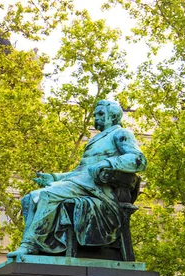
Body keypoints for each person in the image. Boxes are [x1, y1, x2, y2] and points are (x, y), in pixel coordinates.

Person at [8, 100, 146, 260]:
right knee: (30, 198)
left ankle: (29, 246)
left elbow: (138, 159)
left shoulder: (121, 133)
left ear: (113, 116)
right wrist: (54, 178)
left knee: (46, 196)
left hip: (98, 189)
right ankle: (43, 249)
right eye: (95, 114)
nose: (96, 117)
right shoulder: (96, 140)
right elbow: (80, 171)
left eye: (101, 114)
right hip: (82, 183)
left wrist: (108, 163)